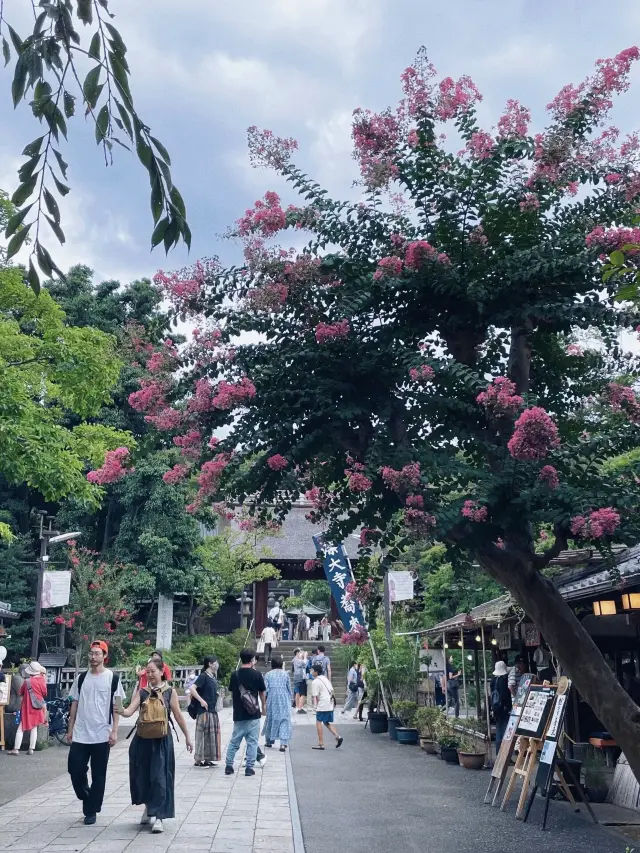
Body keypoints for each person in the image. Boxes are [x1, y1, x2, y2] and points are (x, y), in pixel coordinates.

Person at [121, 658, 192, 833]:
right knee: (142, 776)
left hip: (161, 740)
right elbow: (129, 711)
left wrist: (188, 737)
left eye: (153, 671)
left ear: (162, 672)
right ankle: (148, 808)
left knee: (160, 777)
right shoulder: (142, 691)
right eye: (148, 671)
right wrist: (120, 710)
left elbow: (178, 716)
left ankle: (159, 816)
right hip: (142, 740)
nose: (150, 674)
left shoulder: (169, 692)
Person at [67, 640, 126, 825]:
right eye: (91, 653)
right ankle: (87, 795)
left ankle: (91, 810)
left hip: (102, 733)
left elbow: (117, 707)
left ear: (104, 656)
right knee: (75, 769)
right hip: (81, 733)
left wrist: (115, 731)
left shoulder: (113, 678)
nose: (93, 657)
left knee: (99, 775)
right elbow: (74, 703)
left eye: (97, 653)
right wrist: (70, 729)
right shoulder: (81, 678)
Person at [225, 649, 266, 777]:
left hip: (238, 713)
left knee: (234, 741)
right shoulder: (257, 674)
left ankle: (229, 766)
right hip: (253, 713)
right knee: (252, 742)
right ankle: (249, 768)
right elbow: (262, 693)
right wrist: (263, 706)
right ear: (252, 659)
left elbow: (232, 691)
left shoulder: (234, 675)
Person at [8, 661, 47, 756]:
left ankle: (16, 749)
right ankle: (31, 749)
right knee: (34, 728)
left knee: (21, 728)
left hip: (27, 707)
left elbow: (20, 692)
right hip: (37, 707)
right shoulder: (42, 680)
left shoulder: (27, 681)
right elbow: (45, 693)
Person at [188, 656, 221, 767]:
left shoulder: (212, 677)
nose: (217, 664)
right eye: (215, 662)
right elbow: (192, 688)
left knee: (210, 735)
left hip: (212, 710)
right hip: (203, 711)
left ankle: (207, 758)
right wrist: (201, 700)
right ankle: (198, 760)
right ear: (210, 664)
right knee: (202, 735)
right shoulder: (203, 676)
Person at [262, 656, 293, 752]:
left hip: (272, 699)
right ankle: (283, 744)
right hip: (284, 699)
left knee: (271, 719)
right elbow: (289, 688)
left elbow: (265, 689)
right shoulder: (285, 674)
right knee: (284, 719)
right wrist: (290, 699)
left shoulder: (268, 675)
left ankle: (269, 741)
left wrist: (264, 701)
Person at [310, 662, 343, 750]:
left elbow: (315, 696)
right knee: (326, 722)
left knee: (318, 722)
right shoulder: (325, 678)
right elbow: (332, 691)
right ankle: (338, 736)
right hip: (330, 702)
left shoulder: (315, 682)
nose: (311, 671)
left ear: (316, 672)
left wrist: (315, 707)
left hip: (323, 704)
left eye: (312, 670)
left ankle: (321, 743)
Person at [490, 661, 513, 754]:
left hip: (496, 708)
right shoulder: (503, 680)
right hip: (503, 709)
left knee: (499, 730)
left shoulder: (493, 680)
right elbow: (505, 696)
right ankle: (504, 754)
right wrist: (509, 707)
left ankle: (498, 752)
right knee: (505, 731)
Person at [292, 648, 308, 714]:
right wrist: (305, 657)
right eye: (301, 652)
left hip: (298, 677)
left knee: (297, 692)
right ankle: (299, 708)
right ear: (297, 653)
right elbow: (304, 663)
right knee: (302, 693)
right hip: (300, 678)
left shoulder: (295, 660)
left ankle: (298, 707)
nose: (302, 654)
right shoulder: (296, 660)